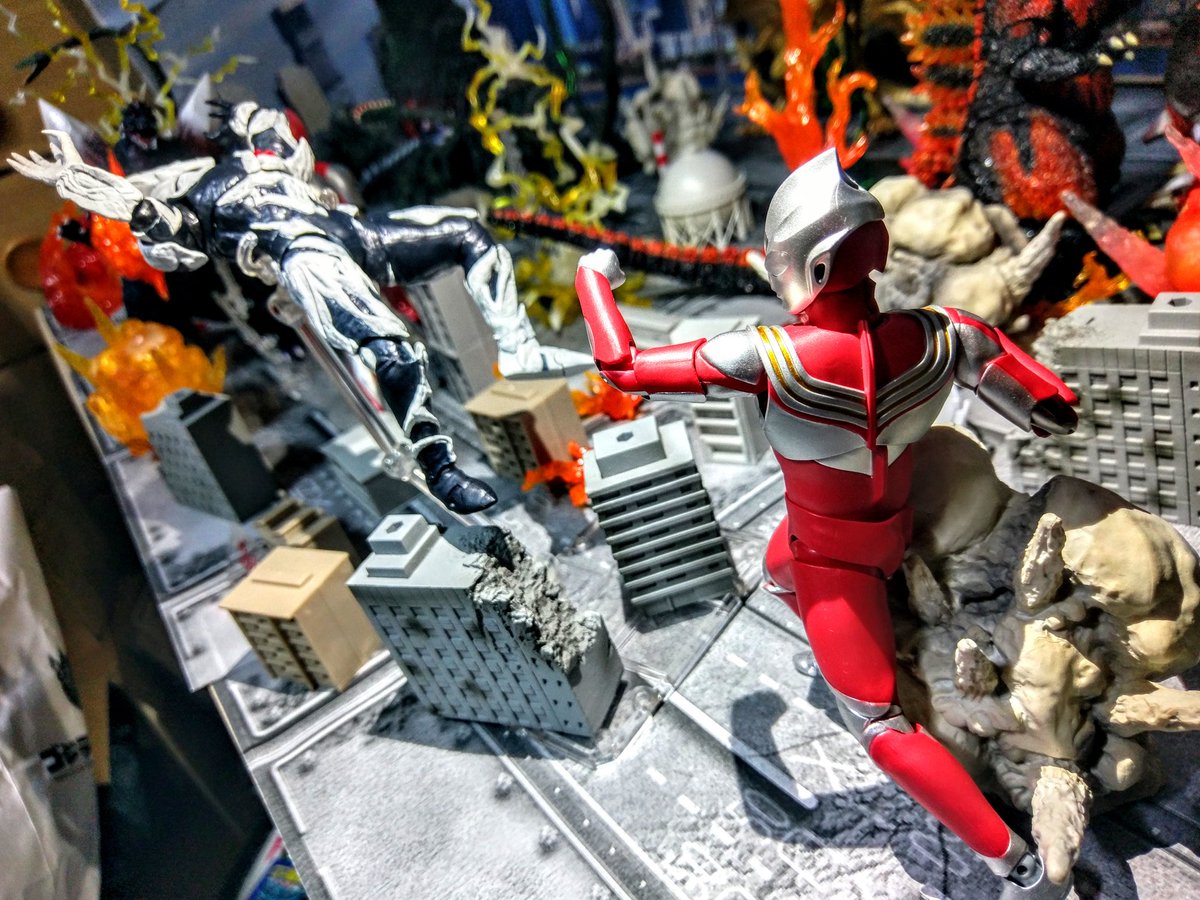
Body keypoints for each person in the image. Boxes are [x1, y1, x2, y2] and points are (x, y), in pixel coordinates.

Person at [573, 148, 1078, 899]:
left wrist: (593, 280)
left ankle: (1018, 864)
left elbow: (622, 367)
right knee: (773, 567)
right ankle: (852, 644)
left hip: (835, 564)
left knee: (879, 726)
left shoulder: (766, 355)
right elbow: (1050, 410)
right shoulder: (946, 335)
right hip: (890, 528)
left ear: (807, 268)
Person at [12, 102, 588, 513]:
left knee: (468, 233)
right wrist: (113, 197)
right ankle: (440, 469)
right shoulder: (200, 198)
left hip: (355, 231)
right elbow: (168, 235)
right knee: (393, 348)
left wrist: (261, 132)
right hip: (304, 253)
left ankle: (519, 349)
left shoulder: (267, 163)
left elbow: (290, 145)